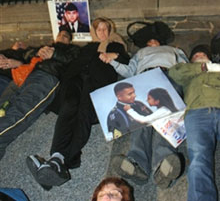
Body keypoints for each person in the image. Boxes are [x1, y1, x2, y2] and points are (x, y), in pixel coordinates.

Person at [26, 17, 130, 189]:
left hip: (97, 83)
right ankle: (56, 161)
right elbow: (71, 62)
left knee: (83, 114)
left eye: (105, 29)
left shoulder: (116, 45)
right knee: (68, 108)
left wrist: (114, 55)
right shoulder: (87, 47)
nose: (102, 32)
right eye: (99, 29)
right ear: (94, 32)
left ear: (110, 31)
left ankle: (59, 160)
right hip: (74, 79)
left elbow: (127, 61)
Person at [99, 21, 188, 188]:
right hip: (143, 79)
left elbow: (186, 68)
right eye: (149, 41)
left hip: (169, 76)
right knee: (141, 118)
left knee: (167, 116)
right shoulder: (140, 53)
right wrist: (112, 62)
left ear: (161, 41)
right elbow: (128, 72)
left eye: (155, 40)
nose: (152, 42)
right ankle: (137, 163)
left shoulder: (175, 51)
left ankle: (163, 165)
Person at [0, 27, 80, 161]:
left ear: (70, 41)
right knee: (3, 107)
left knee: (21, 110)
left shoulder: (73, 49)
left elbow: (74, 61)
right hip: (25, 77)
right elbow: (25, 55)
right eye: (60, 35)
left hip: (47, 77)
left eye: (66, 36)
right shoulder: (44, 47)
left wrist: (54, 54)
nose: (62, 37)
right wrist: (33, 52)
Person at [168, 44, 220, 201]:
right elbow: (173, 73)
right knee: (198, 159)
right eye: (196, 56)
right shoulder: (187, 71)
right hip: (197, 114)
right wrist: (204, 67)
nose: (200, 56)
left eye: (203, 54)